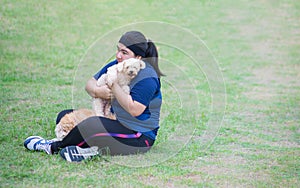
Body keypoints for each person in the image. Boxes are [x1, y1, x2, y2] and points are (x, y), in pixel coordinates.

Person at [24, 31, 164, 162]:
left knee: (92, 125)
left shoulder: (147, 77)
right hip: (113, 120)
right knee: (65, 115)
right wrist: (99, 92)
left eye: (124, 52)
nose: (118, 55)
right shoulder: (118, 65)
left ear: (138, 57)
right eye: (118, 50)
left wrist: (113, 86)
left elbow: (135, 110)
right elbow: (90, 84)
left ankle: (52, 147)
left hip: (138, 136)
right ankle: (90, 149)